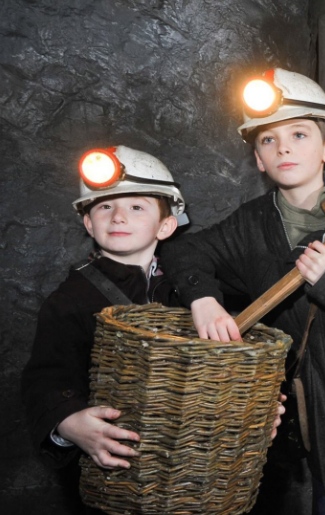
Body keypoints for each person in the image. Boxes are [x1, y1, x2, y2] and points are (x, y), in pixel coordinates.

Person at [159, 68, 325, 514]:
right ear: (258, 160)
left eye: (299, 134)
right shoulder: (250, 224)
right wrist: (203, 298)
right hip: (318, 417)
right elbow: (183, 254)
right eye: (268, 140)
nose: (283, 146)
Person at [20, 146, 204, 509]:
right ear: (88, 222)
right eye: (104, 206)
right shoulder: (70, 299)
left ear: (166, 225)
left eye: (137, 207)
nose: (119, 216)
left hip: (188, 468)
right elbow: (45, 378)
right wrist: (68, 422)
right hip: (115, 473)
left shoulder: (192, 291)